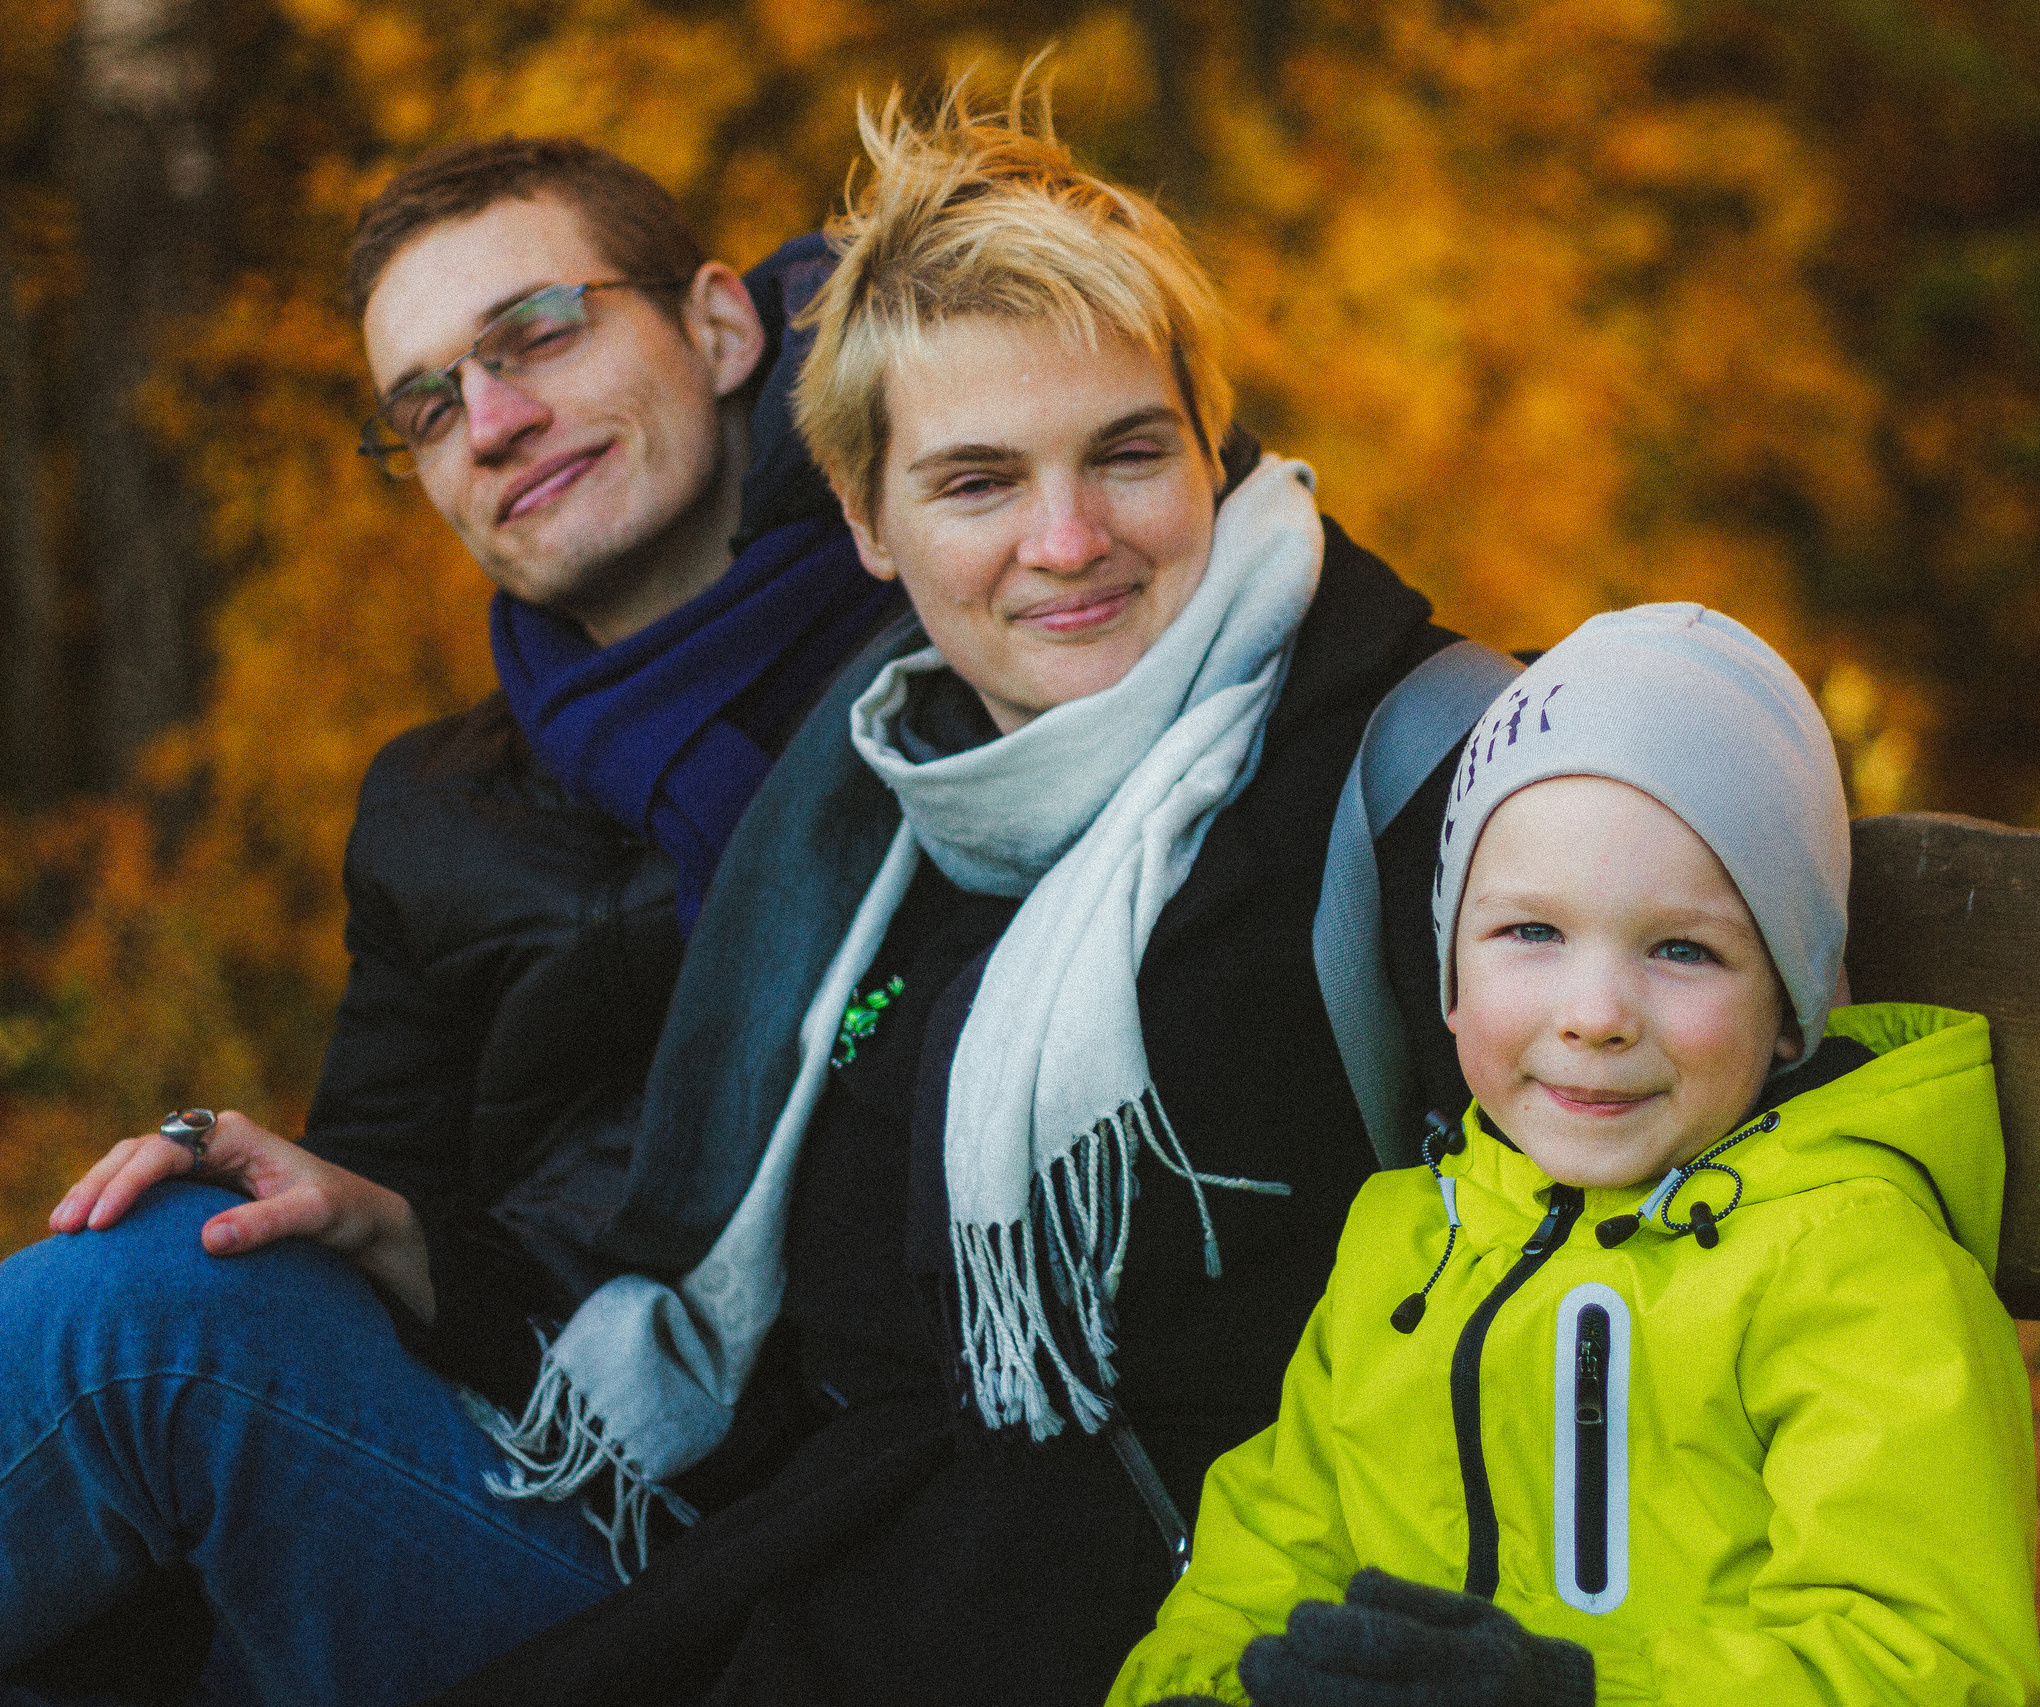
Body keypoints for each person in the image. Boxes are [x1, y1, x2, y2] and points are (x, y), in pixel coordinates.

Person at [413, 77, 1476, 1707]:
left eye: (1127, 454)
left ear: (1214, 446)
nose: (1067, 542)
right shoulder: (871, 829)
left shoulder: (1429, 774)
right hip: (811, 1607)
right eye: (978, 483)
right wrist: (416, 1253)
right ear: (867, 522)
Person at [1, 139, 899, 1705]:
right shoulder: (434, 804)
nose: (489, 422)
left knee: (131, 1322)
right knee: (170, 1259)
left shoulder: (960, 629)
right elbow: (380, 1245)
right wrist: (365, 1216)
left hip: (773, 1562)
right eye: (424, 403)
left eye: (540, 329)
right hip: (517, 1477)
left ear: (722, 326)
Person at [1107, 606, 2040, 1707]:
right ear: (1449, 978)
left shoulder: (1849, 1267)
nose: (1595, 1013)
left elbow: (1930, 1666)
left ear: (1788, 1009)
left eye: (1682, 950)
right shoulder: (1409, 1243)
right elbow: (1257, 1574)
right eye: (1531, 935)